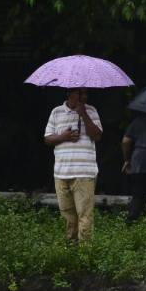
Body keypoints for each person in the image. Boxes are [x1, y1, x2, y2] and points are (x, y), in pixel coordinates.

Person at [43, 87, 102, 243]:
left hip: (84, 172)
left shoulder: (91, 110)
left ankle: (85, 254)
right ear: (69, 93)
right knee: (67, 215)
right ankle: (70, 250)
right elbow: (47, 139)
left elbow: (97, 136)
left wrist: (83, 114)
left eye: (86, 93)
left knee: (85, 214)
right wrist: (64, 136)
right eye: (80, 93)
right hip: (61, 172)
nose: (84, 96)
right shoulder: (56, 112)